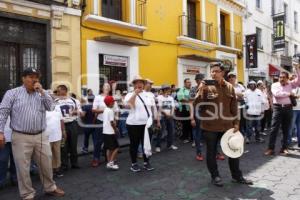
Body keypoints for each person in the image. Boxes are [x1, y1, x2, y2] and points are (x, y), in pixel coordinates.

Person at [0, 68, 65, 199]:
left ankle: (50, 187)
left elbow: (51, 107)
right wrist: (0, 131)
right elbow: (3, 112)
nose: (34, 79)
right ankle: (27, 194)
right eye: (30, 76)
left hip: (41, 135)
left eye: (36, 77)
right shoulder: (12, 93)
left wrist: (42, 92)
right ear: (23, 78)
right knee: (23, 168)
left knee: (46, 164)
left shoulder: (42, 93)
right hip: (21, 136)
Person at [195, 62, 252, 187]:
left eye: (216, 71)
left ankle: (237, 176)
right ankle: (215, 176)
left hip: (227, 126)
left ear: (223, 73)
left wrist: (236, 123)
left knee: (234, 151)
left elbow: (234, 108)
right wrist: (201, 90)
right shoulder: (205, 86)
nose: (214, 73)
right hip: (210, 126)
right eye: (212, 71)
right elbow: (196, 104)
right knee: (211, 152)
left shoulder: (230, 87)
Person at [264, 67, 300, 156]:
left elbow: (298, 81)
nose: (282, 79)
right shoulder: (274, 85)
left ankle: (284, 148)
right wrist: (289, 94)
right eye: (280, 77)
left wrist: (297, 70)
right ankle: (270, 149)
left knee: (286, 129)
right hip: (278, 108)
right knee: (274, 129)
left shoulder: (290, 84)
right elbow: (277, 94)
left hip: (288, 108)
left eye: (284, 77)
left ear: (287, 78)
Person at [124, 75, 155, 172]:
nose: (139, 84)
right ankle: (134, 164)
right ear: (133, 85)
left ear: (144, 84)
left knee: (147, 143)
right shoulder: (129, 95)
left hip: (147, 124)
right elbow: (129, 106)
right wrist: (135, 94)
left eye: (141, 82)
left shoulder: (148, 95)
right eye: (136, 82)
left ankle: (146, 162)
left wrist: (155, 120)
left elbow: (152, 108)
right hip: (133, 124)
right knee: (134, 144)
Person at [55, 85, 81, 170]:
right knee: (63, 145)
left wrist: (76, 112)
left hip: (72, 123)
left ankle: (74, 163)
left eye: (59, 91)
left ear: (64, 91)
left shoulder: (74, 100)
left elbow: (80, 112)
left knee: (73, 144)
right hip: (61, 125)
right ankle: (64, 164)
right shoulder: (56, 101)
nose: (57, 93)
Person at [92, 83, 119, 167]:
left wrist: (116, 121)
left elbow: (116, 110)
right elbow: (93, 110)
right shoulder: (98, 97)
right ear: (102, 88)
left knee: (109, 141)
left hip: (110, 123)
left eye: (108, 86)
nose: (107, 87)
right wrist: (104, 110)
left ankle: (108, 158)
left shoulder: (112, 98)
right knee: (98, 141)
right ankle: (96, 158)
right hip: (100, 122)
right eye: (105, 86)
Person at [45, 103, 65, 178]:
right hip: (46, 136)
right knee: (48, 155)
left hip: (57, 134)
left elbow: (61, 120)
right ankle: (49, 171)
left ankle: (57, 169)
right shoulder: (42, 107)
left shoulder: (57, 106)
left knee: (57, 153)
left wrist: (63, 131)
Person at [156, 84, 178, 152]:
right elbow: (159, 108)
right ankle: (158, 146)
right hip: (162, 116)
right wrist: (166, 114)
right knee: (160, 132)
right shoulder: (159, 97)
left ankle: (170, 145)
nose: (168, 90)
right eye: (167, 89)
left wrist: (171, 114)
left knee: (171, 131)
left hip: (170, 116)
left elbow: (173, 107)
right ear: (163, 90)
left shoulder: (171, 98)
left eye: (169, 89)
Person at [190, 73, 205, 161]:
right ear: (197, 81)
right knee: (197, 133)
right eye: (200, 79)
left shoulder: (208, 88)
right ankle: (199, 153)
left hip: (208, 114)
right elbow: (191, 104)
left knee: (211, 133)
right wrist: (192, 118)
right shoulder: (193, 89)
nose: (202, 81)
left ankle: (216, 152)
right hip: (197, 113)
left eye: (202, 79)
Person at [103, 96, 120, 170]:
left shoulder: (105, 110)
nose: (114, 103)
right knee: (116, 147)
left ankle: (109, 161)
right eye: (113, 102)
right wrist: (116, 129)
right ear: (110, 103)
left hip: (105, 132)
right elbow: (112, 122)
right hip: (110, 132)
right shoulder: (110, 111)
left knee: (109, 148)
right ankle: (111, 163)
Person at [0, 117, 17, 189]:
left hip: (15, 137)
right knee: (2, 160)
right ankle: (1, 181)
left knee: (15, 160)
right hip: (3, 138)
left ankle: (15, 178)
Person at [177, 78, 192, 143]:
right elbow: (181, 99)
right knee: (185, 124)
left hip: (191, 109)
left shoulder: (192, 90)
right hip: (184, 109)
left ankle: (191, 137)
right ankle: (184, 138)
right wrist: (191, 100)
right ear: (185, 83)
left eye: (190, 82)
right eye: (188, 82)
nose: (189, 83)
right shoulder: (181, 90)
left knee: (191, 124)